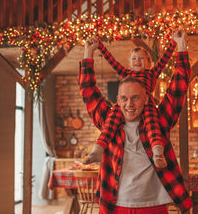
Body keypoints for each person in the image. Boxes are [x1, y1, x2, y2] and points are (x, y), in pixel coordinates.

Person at [79, 31, 192, 213]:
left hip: (153, 205)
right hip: (115, 205)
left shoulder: (160, 120)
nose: (129, 104)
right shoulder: (109, 121)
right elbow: (88, 91)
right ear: (117, 99)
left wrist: (181, 47)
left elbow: (179, 85)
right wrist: (88, 53)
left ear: (146, 98)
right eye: (124, 98)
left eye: (135, 97)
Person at [83, 36, 177, 168]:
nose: (137, 61)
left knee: (152, 125)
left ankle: (157, 153)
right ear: (129, 63)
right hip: (124, 103)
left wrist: (173, 43)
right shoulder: (125, 73)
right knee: (110, 122)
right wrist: (101, 47)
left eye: (141, 58)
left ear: (149, 62)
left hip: (146, 102)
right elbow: (112, 61)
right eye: (134, 59)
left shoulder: (152, 73)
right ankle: (97, 150)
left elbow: (164, 60)